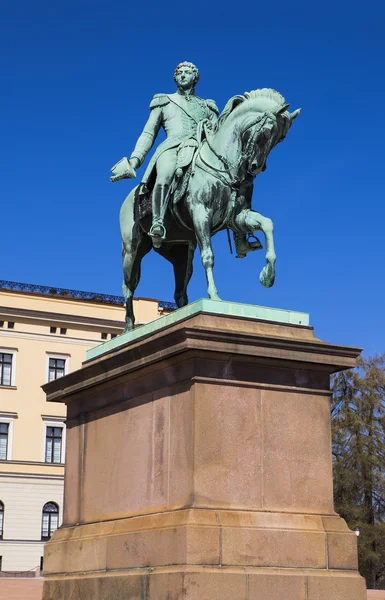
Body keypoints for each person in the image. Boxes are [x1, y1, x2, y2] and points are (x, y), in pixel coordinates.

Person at [127, 62, 218, 246]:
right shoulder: (164, 100)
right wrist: (135, 160)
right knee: (165, 174)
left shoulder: (208, 107)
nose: (183, 75)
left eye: (187, 72)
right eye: (179, 73)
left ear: (195, 78)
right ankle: (158, 222)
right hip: (172, 147)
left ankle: (239, 233)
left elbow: (217, 136)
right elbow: (149, 133)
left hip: (199, 149)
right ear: (175, 78)